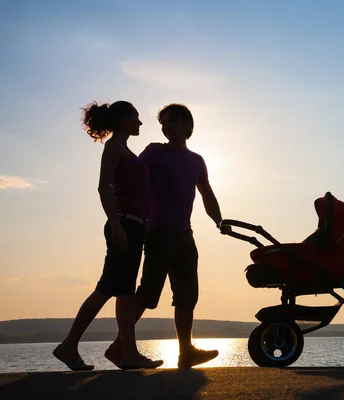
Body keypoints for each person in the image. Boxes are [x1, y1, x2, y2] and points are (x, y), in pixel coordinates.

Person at [105, 103, 231, 369]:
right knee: (147, 295)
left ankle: (186, 352)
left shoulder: (197, 160)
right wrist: (119, 210)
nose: (165, 127)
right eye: (163, 122)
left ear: (187, 124)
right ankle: (119, 347)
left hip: (185, 234)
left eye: (172, 121)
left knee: (187, 296)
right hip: (158, 231)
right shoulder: (153, 152)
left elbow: (207, 194)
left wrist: (220, 221)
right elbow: (128, 172)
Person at [53, 101, 163, 370]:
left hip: (134, 226)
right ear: (124, 119)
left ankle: (129, 355)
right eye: (136, 117)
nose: (140, 123)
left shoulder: (126, 150)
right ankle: (68, 346)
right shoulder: (113, 147)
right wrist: (115, 225)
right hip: (123, 224)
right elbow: (103, 188)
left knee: (125, 294)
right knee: (105, 289)